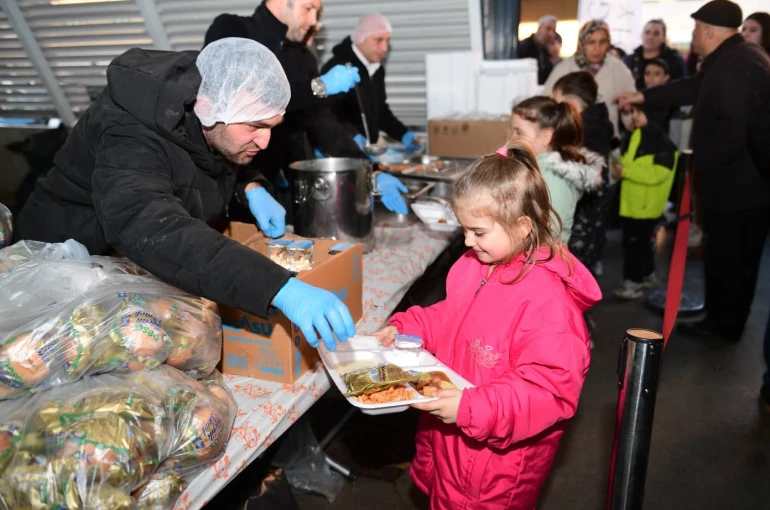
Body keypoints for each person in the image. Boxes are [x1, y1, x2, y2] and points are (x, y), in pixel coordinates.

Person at [14, 38, 356, 351]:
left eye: (271, 127)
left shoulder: (211, 99)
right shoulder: (129, 133)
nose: (264, 142)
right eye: (255, 127)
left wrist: (249, 184)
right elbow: (150, 224)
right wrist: (277, 287)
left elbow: (205, 157)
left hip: (117, 265)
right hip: (55, 268)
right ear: (209, 107)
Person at [372, 142, 601, 510]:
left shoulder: (548, 304)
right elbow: (452, 316)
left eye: (478, 232)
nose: (466, 241)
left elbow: (549, 392)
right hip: (452, 439)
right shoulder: (474, 264)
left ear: (522, 226)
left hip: (494, 468)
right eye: (464, 229)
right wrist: (406, 326)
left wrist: (471, 408)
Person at [616, 0, 770, 341]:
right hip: (742, 186)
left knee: (731, 262)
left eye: (697, 29)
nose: (693, 34)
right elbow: (691, 88)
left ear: (710, 31)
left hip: (738, 189)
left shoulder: (736, 65)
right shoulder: (732, 58)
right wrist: (642, 96)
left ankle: (723, 328)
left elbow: (733, 129)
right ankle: (721, 320)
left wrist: (700, 172)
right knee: (729, 259)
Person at [204, 0, 408, 215]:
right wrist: (316, 87)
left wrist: (370, 169)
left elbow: (324, 125)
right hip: (236, 181)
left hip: (284, 184)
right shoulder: (232, 28)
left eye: (317, 11)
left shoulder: (303, 58)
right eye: (309, 8)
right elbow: (241, 96)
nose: (314, 20)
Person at [321, 13, 422, 152]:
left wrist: (402, 133)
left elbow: (380, 111)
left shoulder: (376, 68)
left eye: (387, 40)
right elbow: (326, 117)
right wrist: (351, 137)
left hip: (368, 151)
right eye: (378, 40)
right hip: (342, 152)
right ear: (359, 37)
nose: (385, 48)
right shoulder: (338, 70)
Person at [510, 96, 604, 244]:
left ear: (546, 136)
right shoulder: (535, 168)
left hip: (543, 259)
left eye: (519, 132)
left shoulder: (553, 178)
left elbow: (546, 236)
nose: (512, 138)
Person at [612, 105, 679, 300]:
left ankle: (633, 281)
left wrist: (624, 172)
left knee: (635, 244)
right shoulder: (637, 136)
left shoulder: (664, 146)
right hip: (633, 202)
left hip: (645, 205)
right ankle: (647, 274)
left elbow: (657, 175)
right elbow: (629, 159)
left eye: (639, 112)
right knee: (641, 242)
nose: (635, 116)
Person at [552, 71, 615, 276]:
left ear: (572, 105)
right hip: (595, 205)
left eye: (558, 103)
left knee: (575, 265)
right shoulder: (598, 119)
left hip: (585, 210)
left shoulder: (584, 131)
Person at [544, 20, 635, 137]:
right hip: (570, 142)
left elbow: (633, 118)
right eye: (591, 42)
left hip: (607, 144)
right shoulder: (564, 68)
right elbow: (546, 104)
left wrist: (627, 112)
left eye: (602, 42)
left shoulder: (619, 70)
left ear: (609, 43)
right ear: (582, 43)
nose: (597, 48)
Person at [623, 19, 686, 91]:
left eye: (656, 33)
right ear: (642, 35)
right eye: (647, 32)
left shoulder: (675, 62)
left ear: (663, 38)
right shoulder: (628, 61)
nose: (650, 37)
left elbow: (681, 89)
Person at [517, 15, 558, 85]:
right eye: (548, 29)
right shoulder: (524, 47)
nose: (551, 34)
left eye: (553, 31)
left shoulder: (546, 52)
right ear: (539, 28)